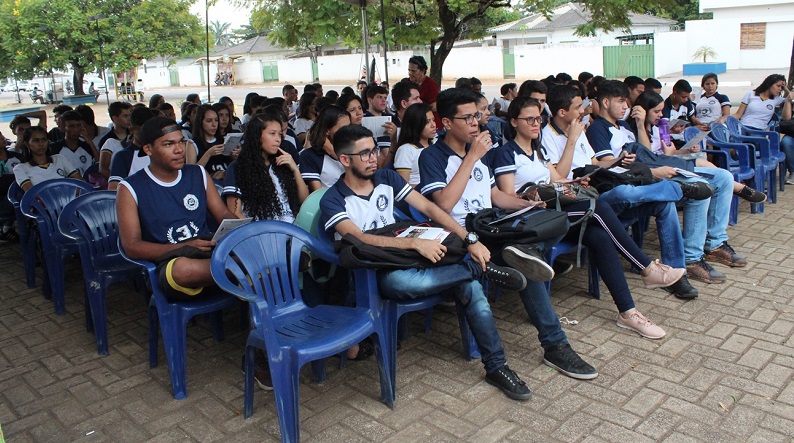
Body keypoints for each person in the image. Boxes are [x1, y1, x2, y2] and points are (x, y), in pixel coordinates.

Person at [320, 124, 533, 400]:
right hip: (380, 271)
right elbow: (359, 239)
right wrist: (413, 243)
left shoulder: (387, 178)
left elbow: (430, 207)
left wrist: (470, 239)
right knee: (406, 281)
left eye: (374, 150)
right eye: (364, 154)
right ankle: (476, 270)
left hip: (416, 257)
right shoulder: (333, 199)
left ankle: (497, 365)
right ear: (345, 160)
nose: (374, 157)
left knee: (472, 289)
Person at [417, 88, 599, 379]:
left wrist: (527, 205)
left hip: (492, 224)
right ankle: (555, 344)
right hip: (461, 235)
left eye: (477, 116)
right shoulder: (432, 157)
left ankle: (515, 263)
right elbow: (443, 204)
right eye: (467, 118)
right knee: (524, 265)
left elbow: (495, 196)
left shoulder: (479, 153)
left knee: (555, 221)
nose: (475, 123)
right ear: (447, 123)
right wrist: (472, 157)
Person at [493, 96, 683, 339]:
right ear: (513, 121)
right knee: (599, 207)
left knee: (598, 235)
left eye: (538, 118)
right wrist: (531, 201)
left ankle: (628, 312)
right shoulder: (505, 154)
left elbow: (557, 178)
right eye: (528, 119)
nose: (535, 123)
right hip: (532, 218)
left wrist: (574, 183)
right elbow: (507, 195)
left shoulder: (537, 150)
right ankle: (646, 268)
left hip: (554, 211)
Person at [546, 84, 700, 299]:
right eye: (578, 107)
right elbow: (560, 177)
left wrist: (618, 161)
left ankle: (676, 274)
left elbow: (595, 162)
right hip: (584, 199)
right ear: (562, 112)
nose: (584, 110)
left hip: (600, 184)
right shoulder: (548, 136)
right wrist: (572, 139)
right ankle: (677, 188)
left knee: (663, 205)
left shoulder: (583, 129)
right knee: (625, 193)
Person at [117, 116, 237, 301]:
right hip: (170, 260)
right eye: (168, 144)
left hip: (206, 251)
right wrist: (184, 246)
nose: (179, 149)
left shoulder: (197, 173)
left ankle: (241, 268)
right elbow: (131, 246)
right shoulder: (130, 188)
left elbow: (222, 214)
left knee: (253, 244)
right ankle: (244, 270)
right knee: (182, 270)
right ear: (148, 149)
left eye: (181, 141)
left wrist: (245, 229)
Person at [224, 113, 308, 223]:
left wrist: (295, 170)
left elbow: (304, 201)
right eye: (272, 134)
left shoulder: (282, 164)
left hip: (292, 230)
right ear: (257, 136)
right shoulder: (237, 167)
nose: (278, 139)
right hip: (261, 232)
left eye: (279, 134)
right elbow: (235, 213)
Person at [732, 74, 794, 183]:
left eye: (782, 87)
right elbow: (738, 114)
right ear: (769, 84)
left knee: (751, 142)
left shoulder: (777, 99)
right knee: (733, 139)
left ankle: (751, 176)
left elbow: (791, 97)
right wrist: (723, 119)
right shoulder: (750, 94)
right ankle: (742, 171)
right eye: (778, 86)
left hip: (758, 131)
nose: (780, 89)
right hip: (743, 127)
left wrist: (785, 88)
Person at [14, 126, 83, 191]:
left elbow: (81, 182)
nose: (41, 144)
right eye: (35, 141)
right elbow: (31, 194)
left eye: (44, 140)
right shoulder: (20, 168)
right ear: (27, 144)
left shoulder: (59, 159)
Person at [300, 105, 350, 191]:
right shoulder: (309, 156)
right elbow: (317, 194)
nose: (348, 132)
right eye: (343, 129)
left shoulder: (354, 147)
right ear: (327, 131)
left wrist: (332, 151)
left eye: (349, 127)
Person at [108, 107, 156, 190]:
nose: (146, 134)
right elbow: (114, 189)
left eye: (150, 130)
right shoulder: (123, 157)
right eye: (141, 131)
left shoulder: (162, 152)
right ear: (131, 130)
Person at [394, 103, 435, 186]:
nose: (433, 125)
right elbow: (403, 187)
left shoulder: (436, 144)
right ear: (415, 124)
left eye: (433, 120)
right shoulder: (406, 150)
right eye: (427, 122)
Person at [48, 111, 99, 175]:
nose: (76, 129)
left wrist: (90, 142)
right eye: (71, 126)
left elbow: (99, 165)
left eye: (78, 125)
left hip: (88, 183)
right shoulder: (54, 148)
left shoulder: (87, 147)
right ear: (63, 128)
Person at [193, 104, 233, 181]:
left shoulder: (223, 140)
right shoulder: (193, 144)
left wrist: (234, 156)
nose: (214, 124)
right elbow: (191, 173)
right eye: (209, 121)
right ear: (200, 122)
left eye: (216, 120)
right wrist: (208, 154)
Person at [407, 55, 440, 127]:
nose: (410, 73)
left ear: (423, 70)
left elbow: (434, 106)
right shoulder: (407, 82)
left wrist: (419, 111)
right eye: (409, 70)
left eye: (414, 71)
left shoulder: (431, 85)